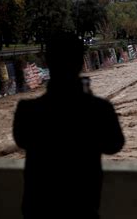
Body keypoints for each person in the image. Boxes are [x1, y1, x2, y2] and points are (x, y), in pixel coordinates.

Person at [13, 32, 125, 219]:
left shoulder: (27, 111)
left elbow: (22, 140)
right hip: (82, 210)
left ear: (47, 62)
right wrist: (87, 100)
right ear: (81, 62)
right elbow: (114, 145)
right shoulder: (99, 109)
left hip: (38, 210)